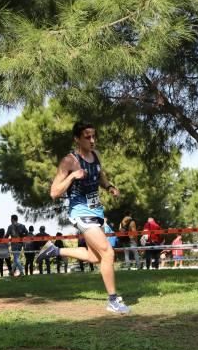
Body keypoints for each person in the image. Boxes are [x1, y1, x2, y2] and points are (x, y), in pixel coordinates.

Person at [35, 121, 130, 314]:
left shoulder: (96, 156)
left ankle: (55, 251)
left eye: (94, 136)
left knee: (95, 257)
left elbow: (100, 176)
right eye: (87, 137)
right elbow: (54, 192)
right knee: (108, 253)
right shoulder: (69, 161)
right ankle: (112, 300)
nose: (92, 140)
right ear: (77, 139)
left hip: (96, 212)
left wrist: (109, 187)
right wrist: (71, 177)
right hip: (80, 212)